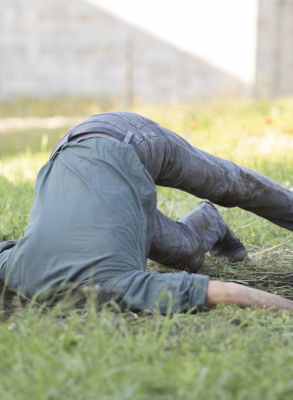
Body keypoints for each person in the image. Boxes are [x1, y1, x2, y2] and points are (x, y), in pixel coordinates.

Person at [0, 111, 293, 313]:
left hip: (125, 137)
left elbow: (228, 294)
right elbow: (224, 292)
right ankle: (210, 219)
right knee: (185, 257)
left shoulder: (23, 271)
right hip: (104, 187)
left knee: (230, 185)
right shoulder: (21, 270)